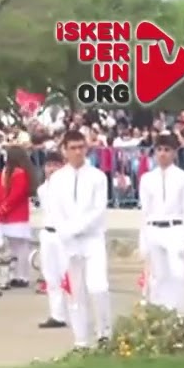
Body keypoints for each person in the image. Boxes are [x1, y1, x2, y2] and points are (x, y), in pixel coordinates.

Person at [50, 129, 112, 348]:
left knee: (98, 286)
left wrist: (76, 228)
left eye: (81, 147)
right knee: (75, 292)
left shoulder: (97, 177)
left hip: (92, 239)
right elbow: (55, 211)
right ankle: (81, 339)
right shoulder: (57, 179)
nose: (77, 152)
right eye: (73, 148)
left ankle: (104, 333)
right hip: (68, 242)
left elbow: (98, 210)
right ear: (64, 151)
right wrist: (66, 234)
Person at [137, 133, 184, 315]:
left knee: (178, 275)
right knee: (157, 276)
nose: (162, 154)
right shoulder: (147, 178)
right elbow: (145, 212)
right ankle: (159, 314)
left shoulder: (183, 178)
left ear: (175, 153)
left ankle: (180, 316)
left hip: (175, 228)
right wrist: (143, 240)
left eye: (167, 150)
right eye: (159, 150)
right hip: (154, 228)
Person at [35, 151, 68, 328]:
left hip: (63, 235)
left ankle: (74, 311)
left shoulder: (68, 187)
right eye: (49, 165)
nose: (52, 169)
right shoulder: (42, 189)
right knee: (51, 276)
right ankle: (57, 314)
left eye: (56, 165)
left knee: (67, 275)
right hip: (47, 233)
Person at [0, 144, 38, 289]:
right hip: (9, 215)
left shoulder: (19, 173)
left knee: (21, 248)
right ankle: (15, 275)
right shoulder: (8, 172)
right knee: (14, 248)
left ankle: (23, 276)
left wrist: (3, 208)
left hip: (17, 214)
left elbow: (16, 194)